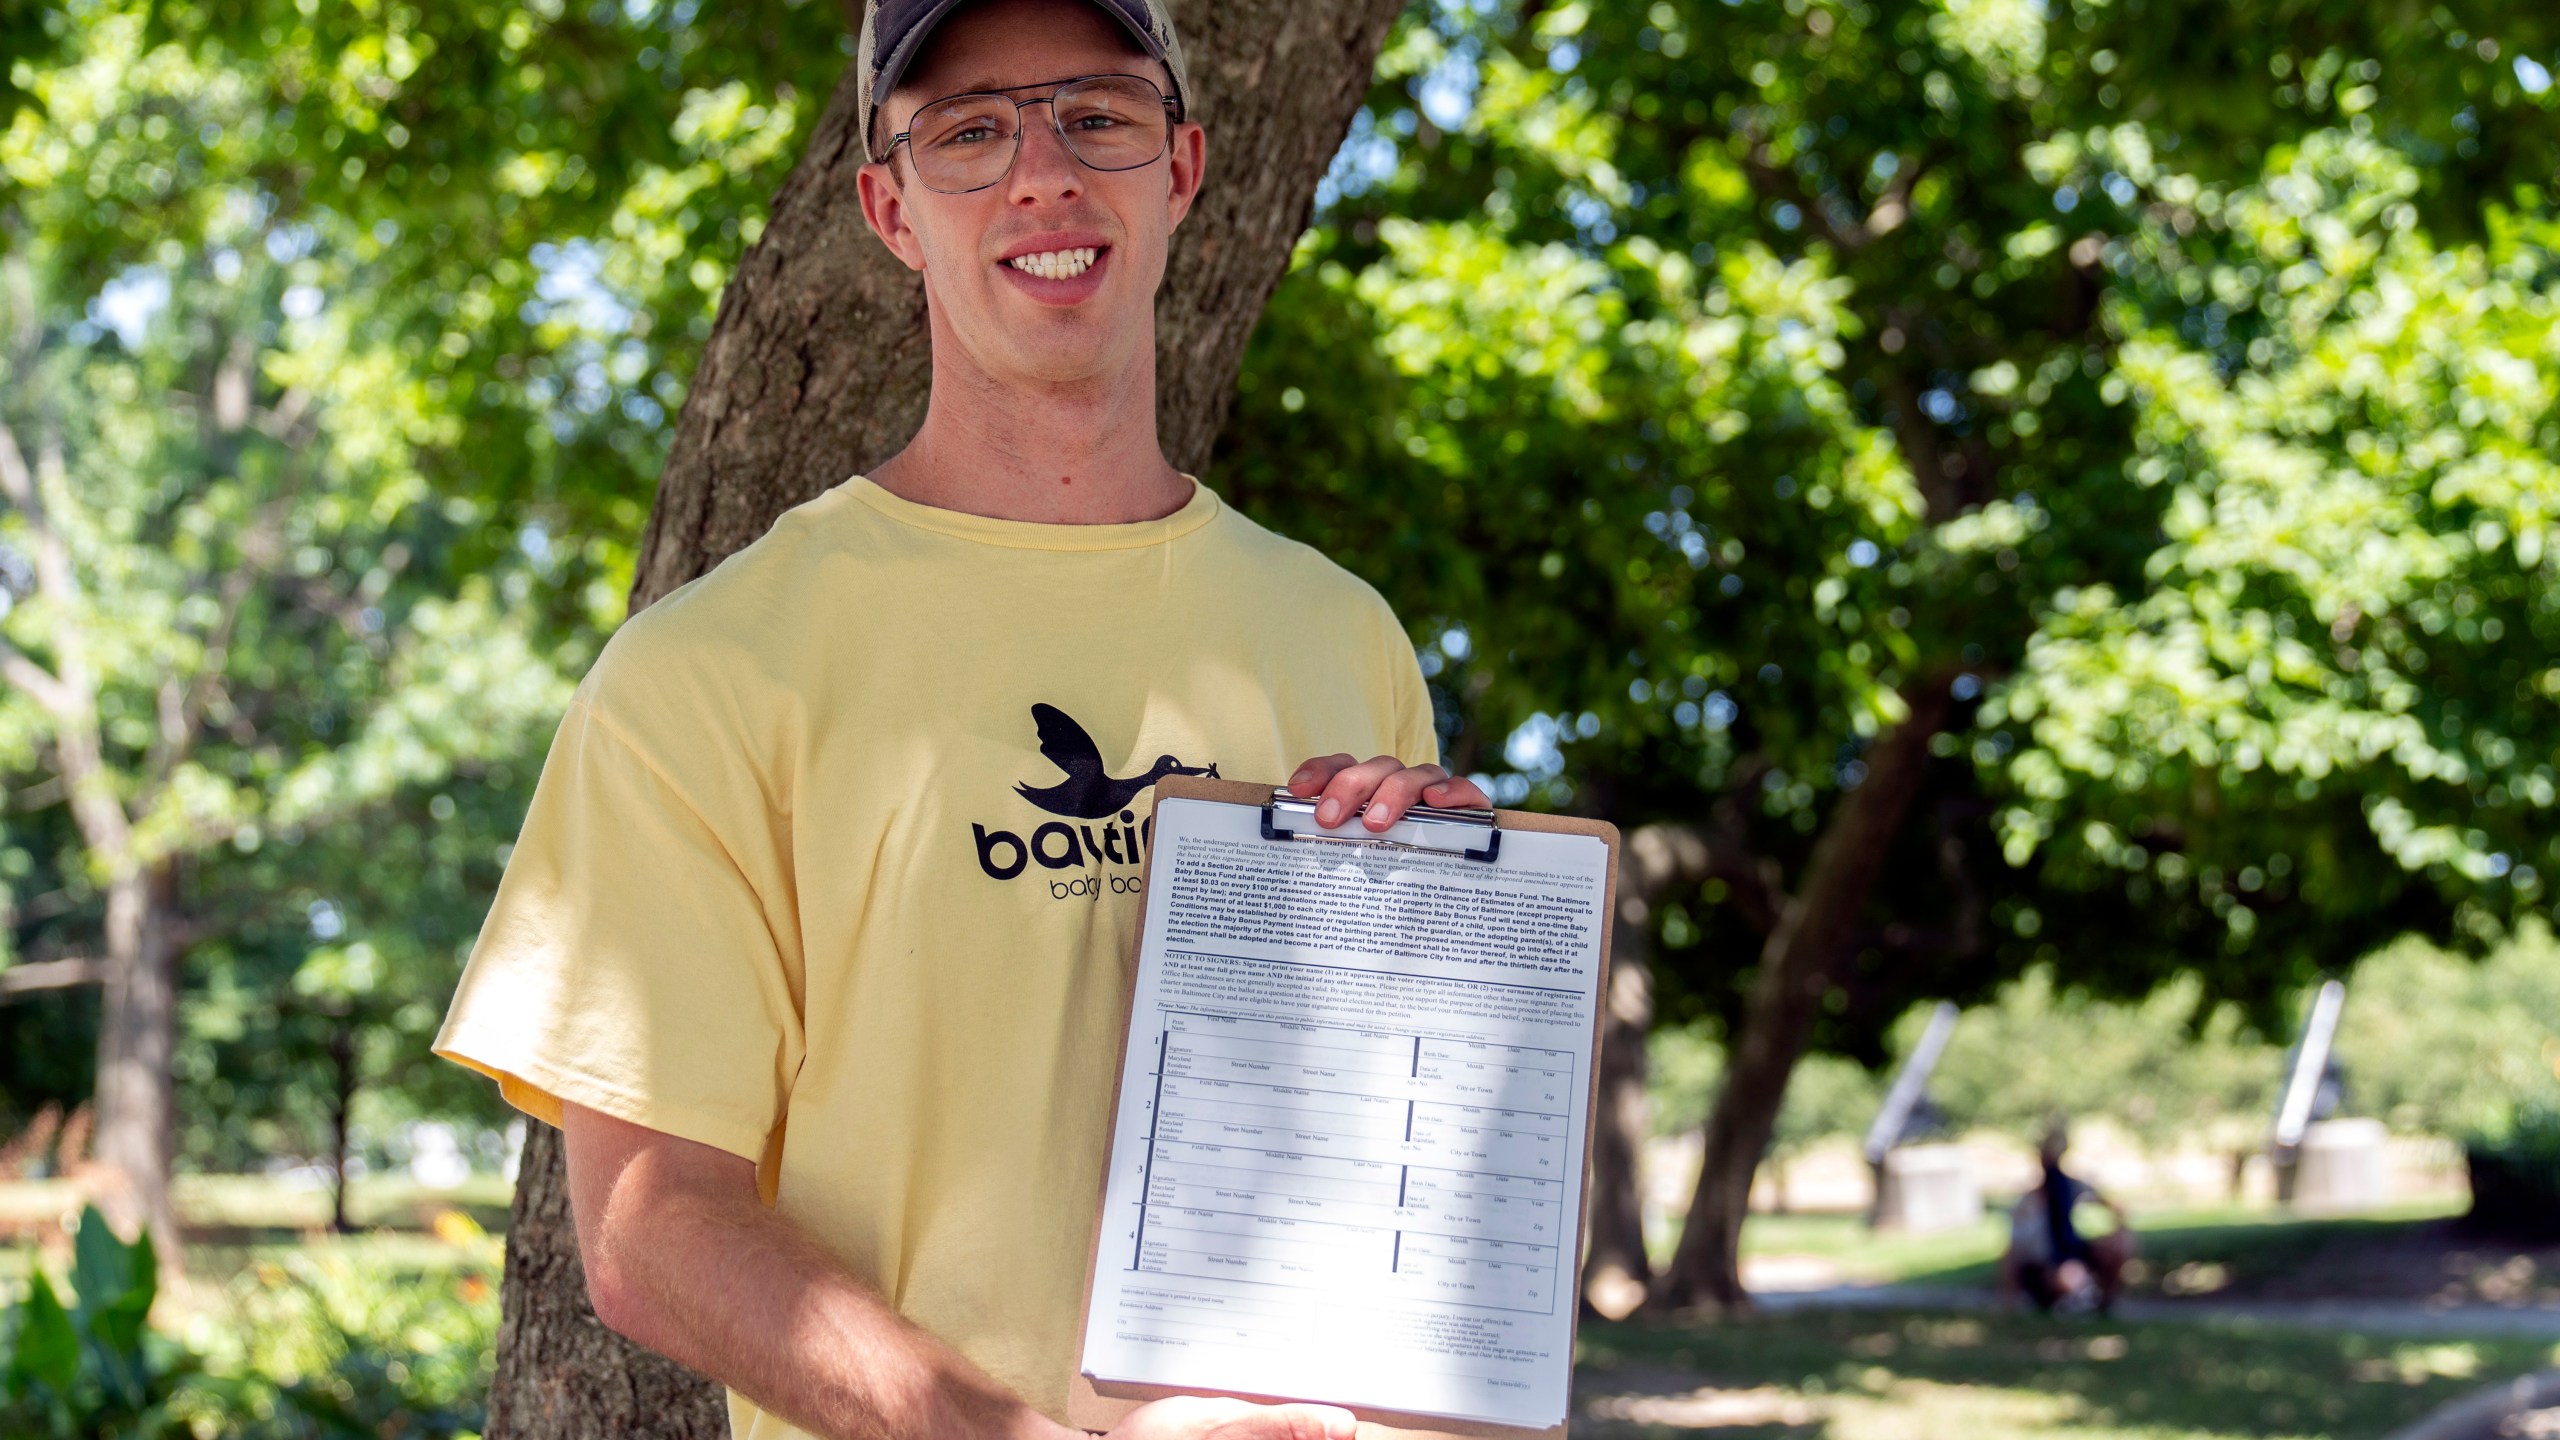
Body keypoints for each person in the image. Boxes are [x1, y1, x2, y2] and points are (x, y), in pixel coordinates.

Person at [432, 2, 1490, 1437]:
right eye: (970, 131)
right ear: (891, 207)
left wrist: (1451, 942)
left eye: (1095, 115)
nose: (1043, 174)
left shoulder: (1339, 633)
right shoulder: (710, 673)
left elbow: (1395, 1161)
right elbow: (647, 1224)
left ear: (1180, 168)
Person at [2001, 1121, 2134, 1315]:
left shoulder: (2070, 1187)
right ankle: (2074, 1298)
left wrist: (2119, 1230)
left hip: (2071, 1252)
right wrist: (2009, 1297)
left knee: (2117, 1246)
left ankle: (2104, 1303)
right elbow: (2013, 1252)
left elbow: (2111, 1205)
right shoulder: (2027, 1203)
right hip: (2043, 1266)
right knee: (2069, 1274)